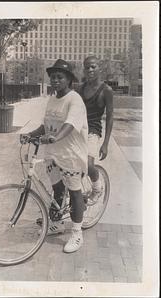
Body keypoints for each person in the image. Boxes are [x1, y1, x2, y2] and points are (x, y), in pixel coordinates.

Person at [20, 59, 88, 253]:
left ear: (69, 79)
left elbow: (69, 125)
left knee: (74, 192)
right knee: (57, 188)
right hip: (53, 153)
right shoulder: (52, 98)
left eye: (60, 77)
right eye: (53, 77)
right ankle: (56, 223)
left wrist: (55, 137)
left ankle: (77, 233)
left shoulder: (74, 99)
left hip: (70, 154)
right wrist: (31, 135)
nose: (55, 80)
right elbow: (46, 124)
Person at [77, 54, 114, 227]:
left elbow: (111, 116)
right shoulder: (80, 88)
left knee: (89, 164)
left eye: (93, 66)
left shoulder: (106, 90)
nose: (90, 70)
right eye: (87, 67)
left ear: (99, 68)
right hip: (79, 130)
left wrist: (105, 143)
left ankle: (97, 188)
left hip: (93, 130)